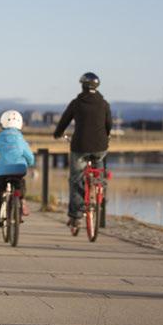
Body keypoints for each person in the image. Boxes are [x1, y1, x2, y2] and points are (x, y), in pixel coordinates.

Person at [53, 72, 112, 229]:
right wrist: (106, 137)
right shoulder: (104, 104)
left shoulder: (76, 103)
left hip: (80, 146)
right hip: (100, 146)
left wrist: (57, 134)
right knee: (99, 172)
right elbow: (109, 125)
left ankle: (75, 216)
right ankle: (100, 193)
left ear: (83, 86)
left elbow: (64, 121)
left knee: (76, 179)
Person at [0, 110, 35, 227]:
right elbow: (30, 157)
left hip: (2, 170)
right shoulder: (21, 139)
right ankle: (22, 201)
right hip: (19, 169)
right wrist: (30, 163)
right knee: (20, 184)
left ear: (3, 122)